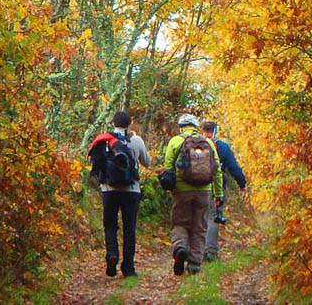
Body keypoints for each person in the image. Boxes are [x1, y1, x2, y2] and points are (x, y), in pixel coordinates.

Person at [87, 111, 151, 277]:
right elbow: (147, 162)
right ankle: (128, 268)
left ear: (113, 123)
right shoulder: (136, 140)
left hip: (109, 190)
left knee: (110, 225)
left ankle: (112, 254)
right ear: (129, 123)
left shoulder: (104, 141)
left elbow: (93, 162)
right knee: (129, 229)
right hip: (132, 191)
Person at [163, 113, 222, 276]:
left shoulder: (175, 141)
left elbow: (168, 168)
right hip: (204, 191)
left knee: (180, 223)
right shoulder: (208, 143)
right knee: (200, 227)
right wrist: (219, 194)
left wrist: (170, 186)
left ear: (181, 126)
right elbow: (217, 171)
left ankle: (180, 247)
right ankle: (194, 264)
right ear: (196, 127)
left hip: (181, 191)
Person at [200, 121, 247, 262]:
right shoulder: (222, 147)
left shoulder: (194, 145)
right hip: (216, 188)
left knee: (197, 218)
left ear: (201, 130)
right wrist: (242, 184)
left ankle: (194, 251)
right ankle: (210, 252)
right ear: (215, 131)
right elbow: (234, 168)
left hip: (196, 187)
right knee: (213, 217)